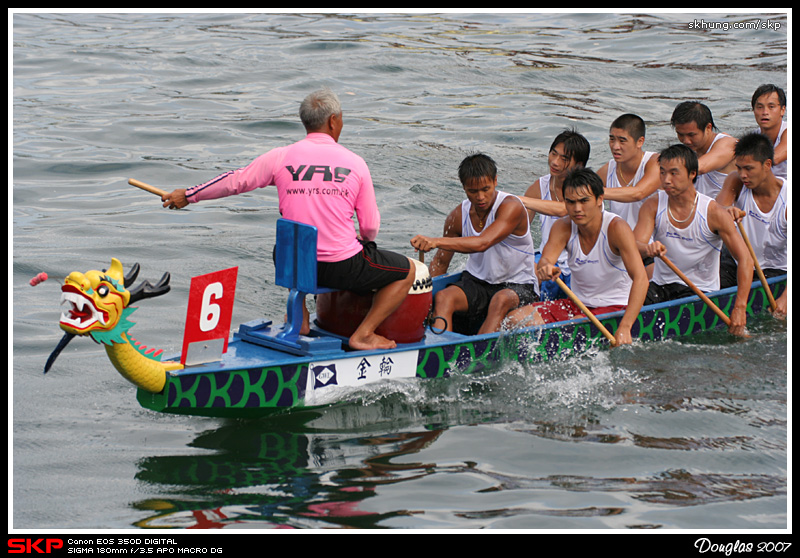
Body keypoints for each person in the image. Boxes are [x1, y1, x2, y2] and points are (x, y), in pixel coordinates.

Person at [160, 88, 415, 351]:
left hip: (293, 265)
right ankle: (364, 334)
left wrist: (189, 195)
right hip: (342, 268)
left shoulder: (280, 157)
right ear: (333, 121)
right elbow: (370, 228)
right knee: (407, 271)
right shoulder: (355, 163)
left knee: (289, 245)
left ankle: (300, 318)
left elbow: (235, 181)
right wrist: (365, 243)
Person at [505, 168, 648, 346]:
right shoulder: (562, 226)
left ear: (599, 199)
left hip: (616, 306)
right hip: (578, 305)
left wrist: (626, 326)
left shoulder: (616, 228)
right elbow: (545, 260)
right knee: (514, 319)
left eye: (584, 201)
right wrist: (546, 267)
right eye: (571, 202)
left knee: (568, 329)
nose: (577, 209)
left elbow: (641, 279)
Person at [410, 153, 538, 335]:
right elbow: (441, 263)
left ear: (495, 181)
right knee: (443, 297)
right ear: (463, 188)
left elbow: (482, 243)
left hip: (518, 285)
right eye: (473, 191)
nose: (480, 197)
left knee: (500, 300)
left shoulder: (511, 207)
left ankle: (477, 356)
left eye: (486, 189)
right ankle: (441, 348)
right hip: (477, 282)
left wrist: (436, 241)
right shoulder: (457, 217)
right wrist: (423, 299)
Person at [633, 144, 753, 336]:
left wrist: (739, 307)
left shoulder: (713, 212)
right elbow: (634, 246)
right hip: (660, 286)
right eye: (662, 173)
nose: (666, 180)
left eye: (674, 173)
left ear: (692, 174)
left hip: (700, 291)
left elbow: (745, 260)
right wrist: (647, 250)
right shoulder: (653, 205)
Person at [716, 132, 787, 317]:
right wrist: (726, 210)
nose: (742, 175)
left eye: (749, 168)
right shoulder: (736, 181)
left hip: (775, 270)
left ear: (767, 165)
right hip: (737, 262)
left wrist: (787, 298)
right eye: (738, 168)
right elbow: (716, 210)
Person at [517, 129, 591, 300]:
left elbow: (564, 209)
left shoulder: (587, 190)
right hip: (546, 261)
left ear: (578, 166)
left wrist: (520, 199)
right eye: (553, 154)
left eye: (564, 159)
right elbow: (520, 225)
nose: (555, 162)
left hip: (580, 265)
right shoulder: (539, 186)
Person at [670, 101, 737, 198]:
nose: (685, 141)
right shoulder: (690, 150)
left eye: (691, 135)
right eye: (680, 134)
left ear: (708, 128)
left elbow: (701, 167)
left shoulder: (727, 144)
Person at [751, 84, 787, 180]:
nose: (765, 112)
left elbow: (775, 158)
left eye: (771, 107)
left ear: (782, 110)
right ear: (753, 111)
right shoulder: (753, 138)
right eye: (759, 107)